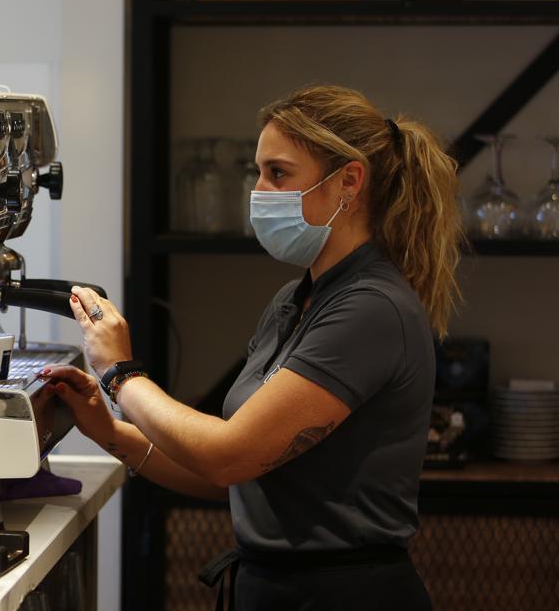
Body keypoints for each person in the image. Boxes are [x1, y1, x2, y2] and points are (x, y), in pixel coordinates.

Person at [41, 85, 462, 610]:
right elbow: (239, 478)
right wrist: (110, 433)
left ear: (349, 182)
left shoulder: (371, 309)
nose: (258, 189)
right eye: (258, 171)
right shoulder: (297, 300)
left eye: (278, 173)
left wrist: (121, 372)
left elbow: (228, 456)